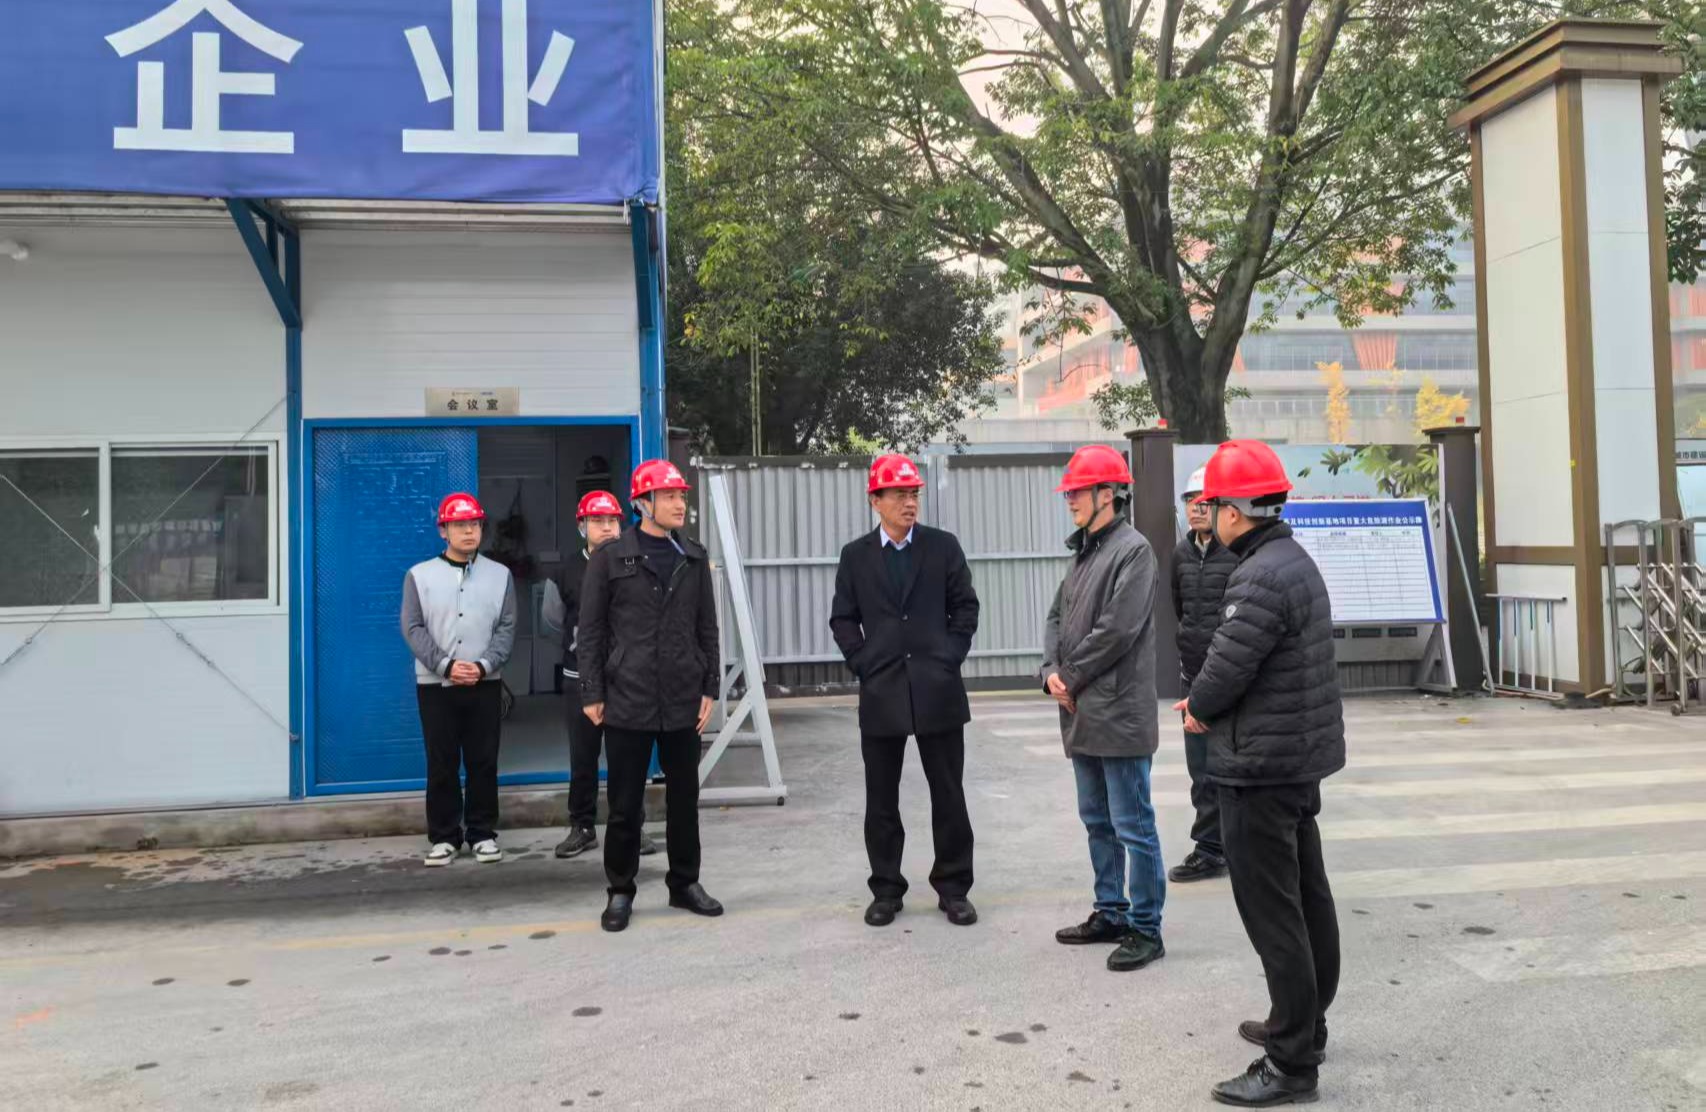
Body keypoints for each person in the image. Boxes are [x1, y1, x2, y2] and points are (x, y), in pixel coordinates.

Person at [1172, 439, 1345, 1108]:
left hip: (1260, 770)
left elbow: (1226, 667)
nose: (1207, 513)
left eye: (1212, 503)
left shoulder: (1258, 576)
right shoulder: (1292, 560)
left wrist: (1196, 707)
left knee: (1274, 913)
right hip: (1294, 762)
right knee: (1306, 897)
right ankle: (1304, 1022)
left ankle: (1291, 1062)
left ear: (1235, 511)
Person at [829, 453, 981, 928]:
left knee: (948, 794)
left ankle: (953, 888)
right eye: (898, 495)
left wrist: (948, 657)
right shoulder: (856, 556)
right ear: (875, 501)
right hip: (882, 691)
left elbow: (966, 608)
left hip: (938, 690)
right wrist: (864, 663)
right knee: (881, 799)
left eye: (913, 494)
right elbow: (842, 618)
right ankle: (886, 889)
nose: (909, 503)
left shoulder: (942, 547)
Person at [577, 460, 723, 932]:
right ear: (643, 503)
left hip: (682, 696)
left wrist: (710, 685)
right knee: (624, 805)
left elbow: (707, 627)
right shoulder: (610, 558)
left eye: (682, 496)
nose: (680, 504)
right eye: (670, 496)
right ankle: (620, 890)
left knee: (684, 800)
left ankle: (685, 883)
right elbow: (591, 630)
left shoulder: (694, 557)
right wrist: (592, 691)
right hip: (628, 696)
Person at [1041, 444, 1166, 973]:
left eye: (1078, 491)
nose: (1070, 499)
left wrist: (1069, 676)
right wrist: (1050, 671)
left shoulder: (1134, 552)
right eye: (1069, 492)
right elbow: (1056, 618)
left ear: (1108, 494)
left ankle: (1146, 928)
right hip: (1083, 711)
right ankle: (1111, 910)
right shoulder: (1085, 553)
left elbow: (1117, 629)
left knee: (1132, 824)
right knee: (1097, 820)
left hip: (1118, 713)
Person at [400, 492, 517, 868]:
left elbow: (507, 626)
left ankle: (482, 833)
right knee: (442, 761)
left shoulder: (500, 575)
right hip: (436, 685)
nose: (469, 531)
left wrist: (484, 665)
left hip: (485, 682)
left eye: (475, 524)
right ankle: (444, 836)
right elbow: (412, 627)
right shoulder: (419, 576)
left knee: (484, 760)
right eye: (460, 525)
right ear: (443, 531)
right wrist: (445, 665)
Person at [542, 490, 656, 861]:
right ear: (582, 526)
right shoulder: (564, 571)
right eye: (597, 521)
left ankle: (632, 825)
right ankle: (582, 826)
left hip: (625, 680)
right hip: (580, 678)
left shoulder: (636, 564)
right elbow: (552, 621)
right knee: (583, 756)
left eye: (612, 521)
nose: (606, 527)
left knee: (628, 757)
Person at [1168, 465, 1239, 884]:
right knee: (1200, 770)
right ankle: (1210, 849)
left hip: (1229, 679)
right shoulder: (1180, 554)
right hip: (1191, 677)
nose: (1195, 508)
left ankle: (1233, 846)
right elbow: (1180, 610)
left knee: (1230, 766)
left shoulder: (1236, 555)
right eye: (1189, 500)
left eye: (1203, 500)